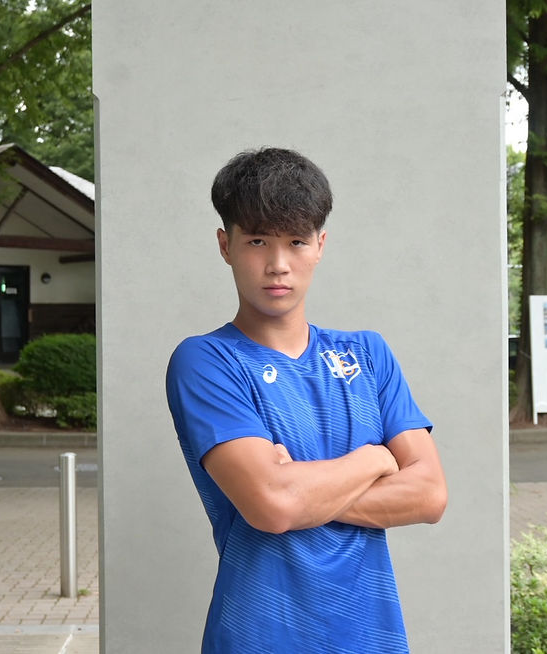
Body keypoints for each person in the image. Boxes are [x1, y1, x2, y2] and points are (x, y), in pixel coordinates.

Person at [166, 147, 447, 653]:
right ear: (225, 245)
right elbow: (273, 506)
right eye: (257, 241)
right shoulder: (207, 361)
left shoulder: (367, 355)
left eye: (296, 241)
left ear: (320, 245)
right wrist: (375, 459)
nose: (278, 265)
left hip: (372, 637)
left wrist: (298, 486)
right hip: (259, 637)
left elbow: (429, 495)